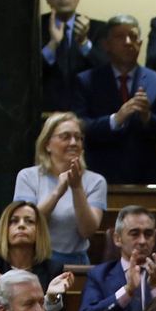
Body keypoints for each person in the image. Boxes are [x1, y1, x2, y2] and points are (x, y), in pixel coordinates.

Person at [71, 15, 156, 187]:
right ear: (106, 45)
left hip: (145, 178)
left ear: (140, 43)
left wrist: (148, 118)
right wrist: (115, 119)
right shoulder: (86, 81)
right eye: (120, 37)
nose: (128, 42)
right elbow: (81, 127)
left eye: (133, 37)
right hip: (99, 175)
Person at [13, 113, 107, 267]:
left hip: (75, 263)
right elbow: (28, 222)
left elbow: (87, 231)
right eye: (65, 137)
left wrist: (77, 188)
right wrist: (57, 193)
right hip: (35, 260)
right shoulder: (28, 176)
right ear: (47, 144)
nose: (73, 143)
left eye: (78, 138)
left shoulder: (96, 181)